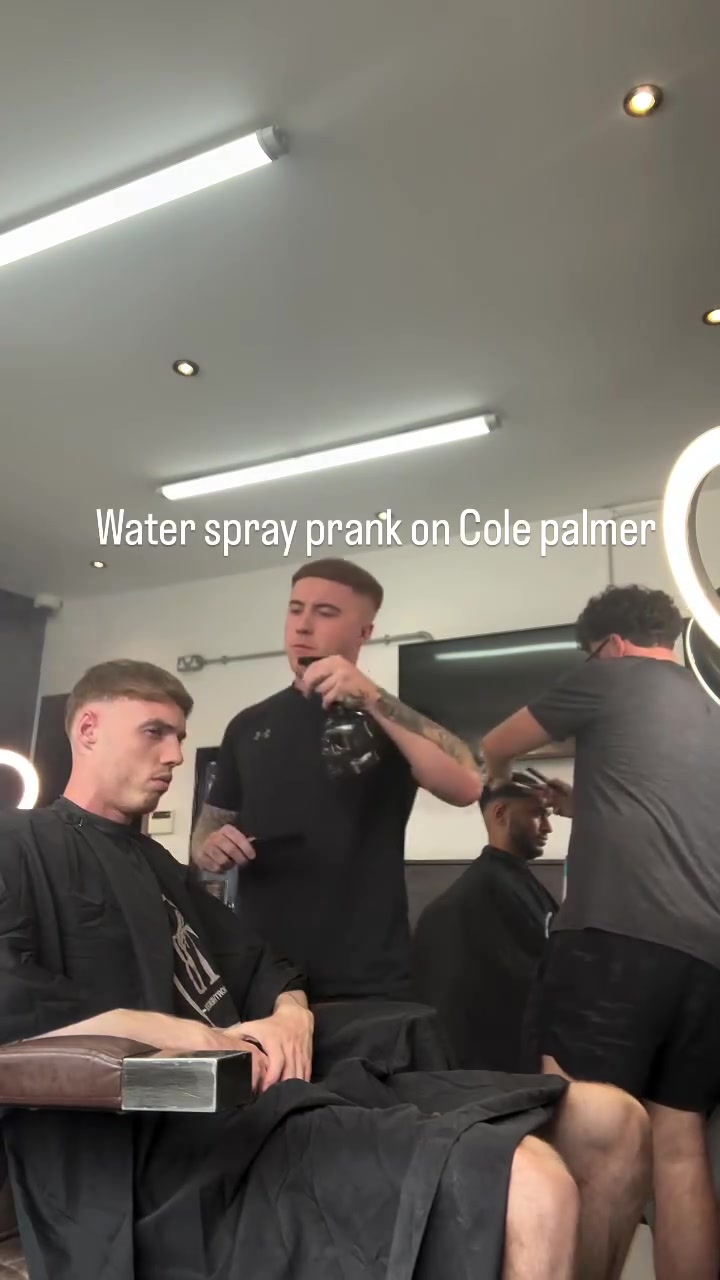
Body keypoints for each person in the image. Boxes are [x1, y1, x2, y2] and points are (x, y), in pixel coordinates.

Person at [0, 658, 653, 1280]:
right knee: (532, 1184)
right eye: (155, 732)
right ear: (88, 729)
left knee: (614, 1122)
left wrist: (291, 1014)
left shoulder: (159, 866)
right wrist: (178, 1034)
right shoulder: (20, 846)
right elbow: (11, 996)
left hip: (280, 1093)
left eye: (179, 737)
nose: (174, 754)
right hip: (174, 1151)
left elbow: (265, 965)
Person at [480, 584, 720, 1280]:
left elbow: (497, 743)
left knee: (586, 1130)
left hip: (615, 943)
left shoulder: (610, 674)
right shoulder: (710, 701)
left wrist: (501, 785)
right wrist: (581, 804)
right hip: (708, 958)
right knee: (679, 1146)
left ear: (609, 645)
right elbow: (674, 818)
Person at [191, 558, 483, 1002]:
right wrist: (210, 846)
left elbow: (467, 785)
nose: (303, 625)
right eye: (295, 609)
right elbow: (207, 830)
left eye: (325, 612)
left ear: (364, 632)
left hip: (366, 974)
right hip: (264, 970)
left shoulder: (394, 719)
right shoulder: (248, 725)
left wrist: (372, 697)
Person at [412, 774, 558, 1072]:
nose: (547, 827)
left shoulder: (513, 882)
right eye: (537, 814)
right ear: (500, 813)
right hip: (500, 1065)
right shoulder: (485, 893)